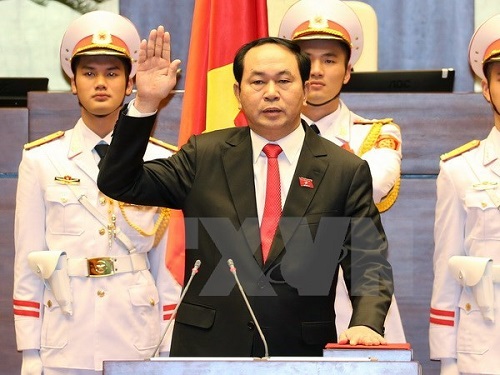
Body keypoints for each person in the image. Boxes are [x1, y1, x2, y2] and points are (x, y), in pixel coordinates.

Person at [97, 26, 394, 357]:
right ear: (238, 93)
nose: (271, 92)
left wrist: (367, 323)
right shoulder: (204, 155)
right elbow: (119, 182)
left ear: (305, 89)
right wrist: (147, 103)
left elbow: (368, 260)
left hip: (302, 351)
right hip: (209, 349)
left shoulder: (344, 170)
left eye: (284, 81)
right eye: (257, 82)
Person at [13, 11, 181, 375]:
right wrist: (30, 351)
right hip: (65, 335)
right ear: (73, 82)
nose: (100, 83)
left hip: (138, 332)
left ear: (130, 82)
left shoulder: (161, 158)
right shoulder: (42, 159)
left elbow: (168, 264)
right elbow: (28, 259)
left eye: (112, 73)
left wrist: (170, 343)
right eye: (88, 73)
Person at [278, 0, 405, 342]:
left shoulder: (376, 134)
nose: (316, 70)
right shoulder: (264, 139)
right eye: (307, 60)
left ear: (348, 72)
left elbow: (371, 185)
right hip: (283, 292)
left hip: (359, 298)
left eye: (330, 60)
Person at [429, 14, 500, 375]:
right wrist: (448, 362)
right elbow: (446, 270)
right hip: (484, 347)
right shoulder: (459, 169)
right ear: (486, 88)